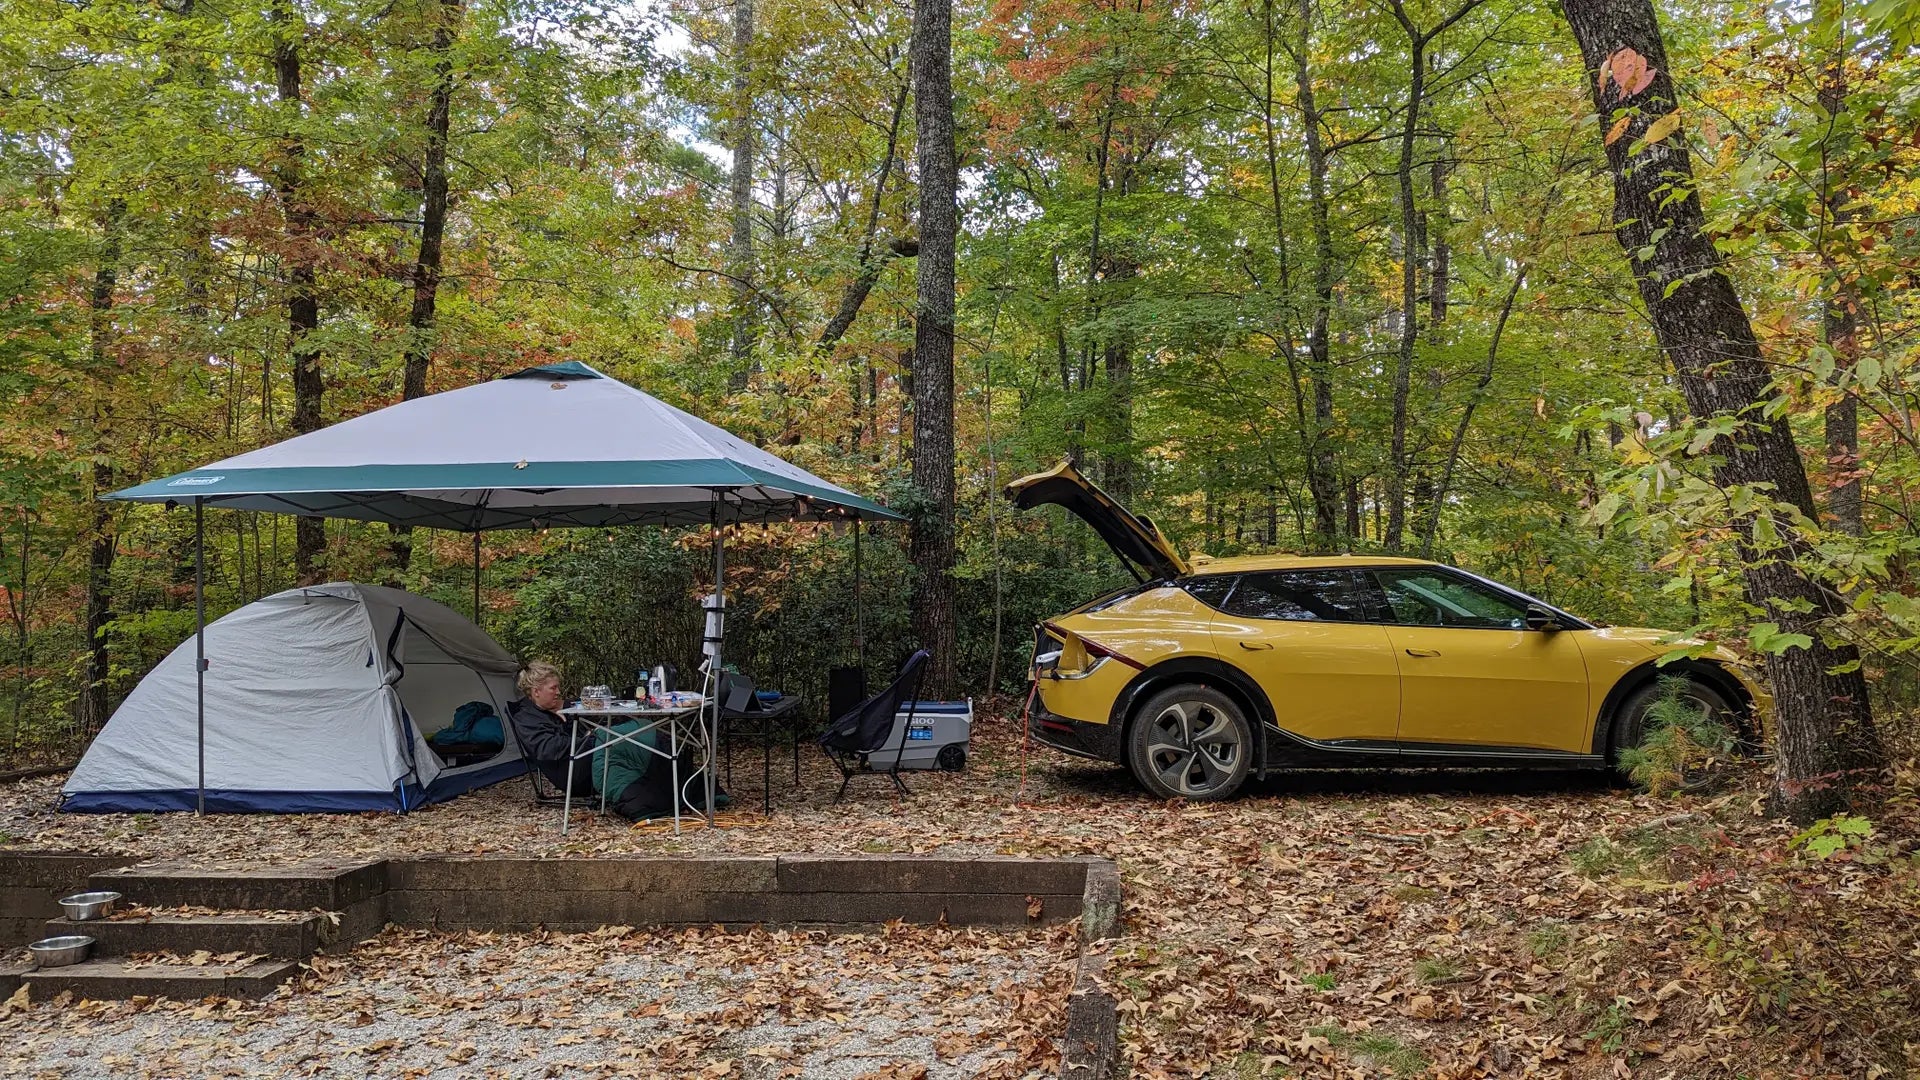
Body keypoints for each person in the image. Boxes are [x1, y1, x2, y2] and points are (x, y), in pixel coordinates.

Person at [507, 660, 595, 794]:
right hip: (571, 773)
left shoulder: (552, 708)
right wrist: (589, 741)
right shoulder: (526, 718)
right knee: (617, 748)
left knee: (624, 737)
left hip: (584, 760)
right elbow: (547, 747)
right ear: (536, 692)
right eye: (553, 688)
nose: (558, 692)